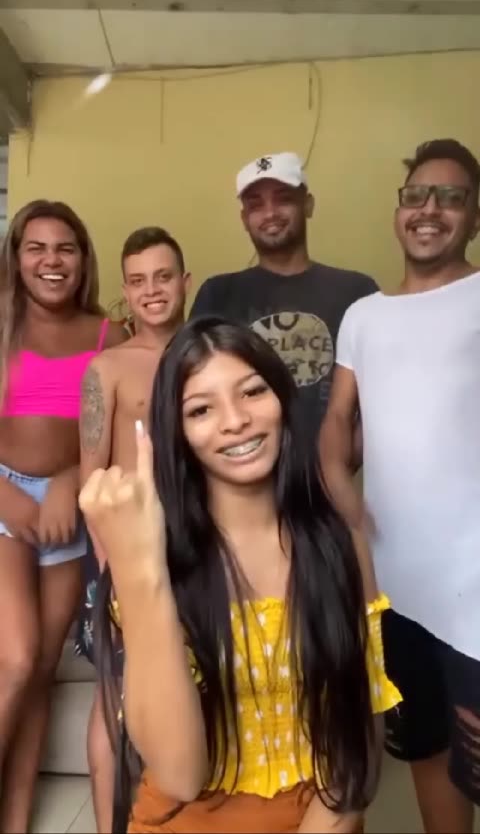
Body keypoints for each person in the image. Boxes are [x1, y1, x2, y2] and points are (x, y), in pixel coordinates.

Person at [79, 317, 401, 833]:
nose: (235, 421)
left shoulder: (338, 541)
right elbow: (180, 775)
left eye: (252, 391)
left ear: (283, 400)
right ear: (175, 433)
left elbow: (358, 743)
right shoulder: (153, 561)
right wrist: (141, 571)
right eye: (200, 409)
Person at [320, 139, 480, 834]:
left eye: (451, 197)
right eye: (416, 195)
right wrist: (337, 482)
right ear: (398, 211)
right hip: (394, 587)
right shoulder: (365, 316)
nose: (429, 209)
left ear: (474, 216)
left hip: (475, 585)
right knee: (427, 752)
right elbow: (338, 421)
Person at [0, 199, 126, 833]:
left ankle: (15, 821)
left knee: (42, 674)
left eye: (65, 248)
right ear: (16, 257)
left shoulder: (109, 335)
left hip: (69, 514)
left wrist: (69, 480)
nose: (51, 261)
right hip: (3, 502)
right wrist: (10, 496)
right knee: (17, 660)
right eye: (37, 247)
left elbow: (120, 439)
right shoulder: (1, 323)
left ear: (83, 259)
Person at [76, 226, 191, 833]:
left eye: (163, 277)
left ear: (185, 282)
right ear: (125, 290)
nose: (152, 291)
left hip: (195, 553)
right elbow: (90, 480)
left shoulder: (208, 356)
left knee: (180, 697)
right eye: (139, 281)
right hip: (125, 557)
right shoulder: (109, 368)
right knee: (115, 699)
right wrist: (110, 569)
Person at [189, 152, 378, 451]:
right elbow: (195, 396)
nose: (270, 213)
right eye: (256, 205)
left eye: (283, 199)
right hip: (244, 469)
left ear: (308, 204)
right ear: (244, 219)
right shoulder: (218, 294)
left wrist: (339, 465)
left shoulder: (357, 292)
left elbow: (380, 400)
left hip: (332, 474)